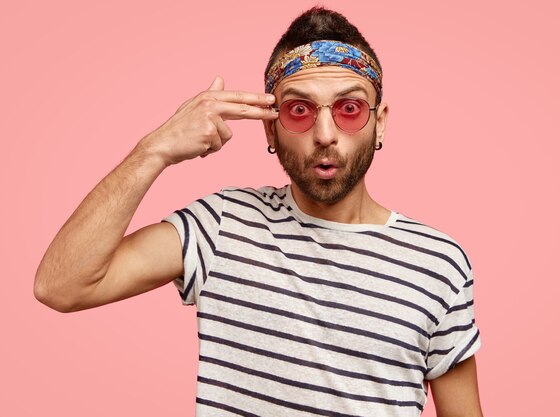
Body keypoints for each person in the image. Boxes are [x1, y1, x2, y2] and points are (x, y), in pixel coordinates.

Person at [35, 6, 483, 417]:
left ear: (379, 121)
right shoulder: (223, 225)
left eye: (349, 108)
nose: (325, 134)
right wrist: (154, 151)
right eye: (299, 110)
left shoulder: (437, 262)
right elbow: (61, 285)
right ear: (270, 128)